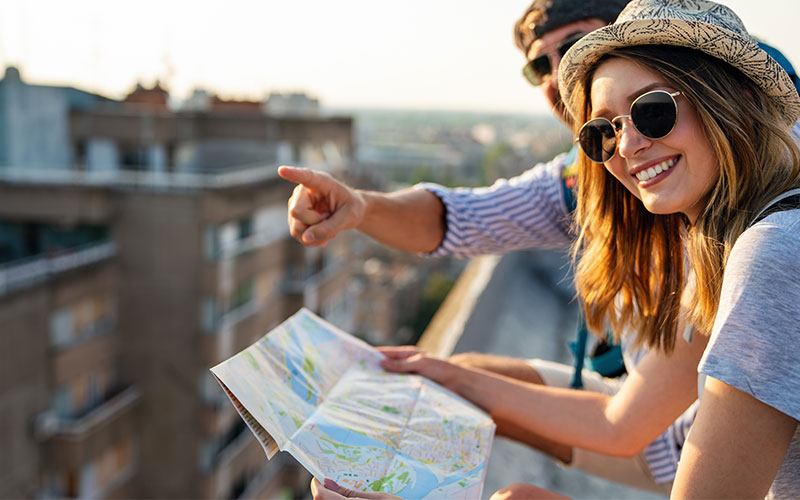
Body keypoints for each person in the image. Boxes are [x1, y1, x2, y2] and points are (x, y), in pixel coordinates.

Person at [312, 0, 800, 496]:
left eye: (653, 112)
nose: (627, 146)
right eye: (603, 132)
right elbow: (462, 216)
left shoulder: (772, 251)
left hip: (681, 447)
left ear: (736, 97)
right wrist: (362, 207)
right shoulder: (726, 232)